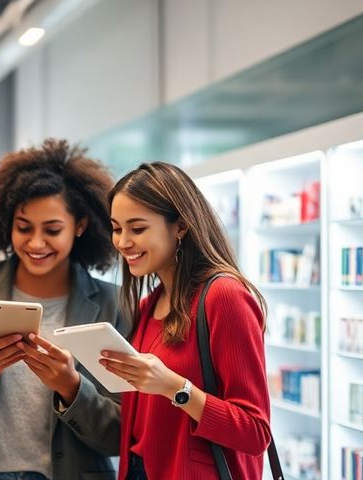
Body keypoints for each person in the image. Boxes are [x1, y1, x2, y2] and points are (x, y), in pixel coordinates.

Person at [0, 139, 126, 480]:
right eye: (23, 227)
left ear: (81, 226)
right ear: (6, 223)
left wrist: (71, 387)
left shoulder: (113, 304)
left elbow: (119, 433)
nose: (35, 243)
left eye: (52, 230)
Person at [103, 162, 271, 480]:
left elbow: (255, 431)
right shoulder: (148, 304)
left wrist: (174, 387)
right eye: (116, 228)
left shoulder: (225, 296)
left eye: (137, 229)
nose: (123, 242)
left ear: (180, 226)